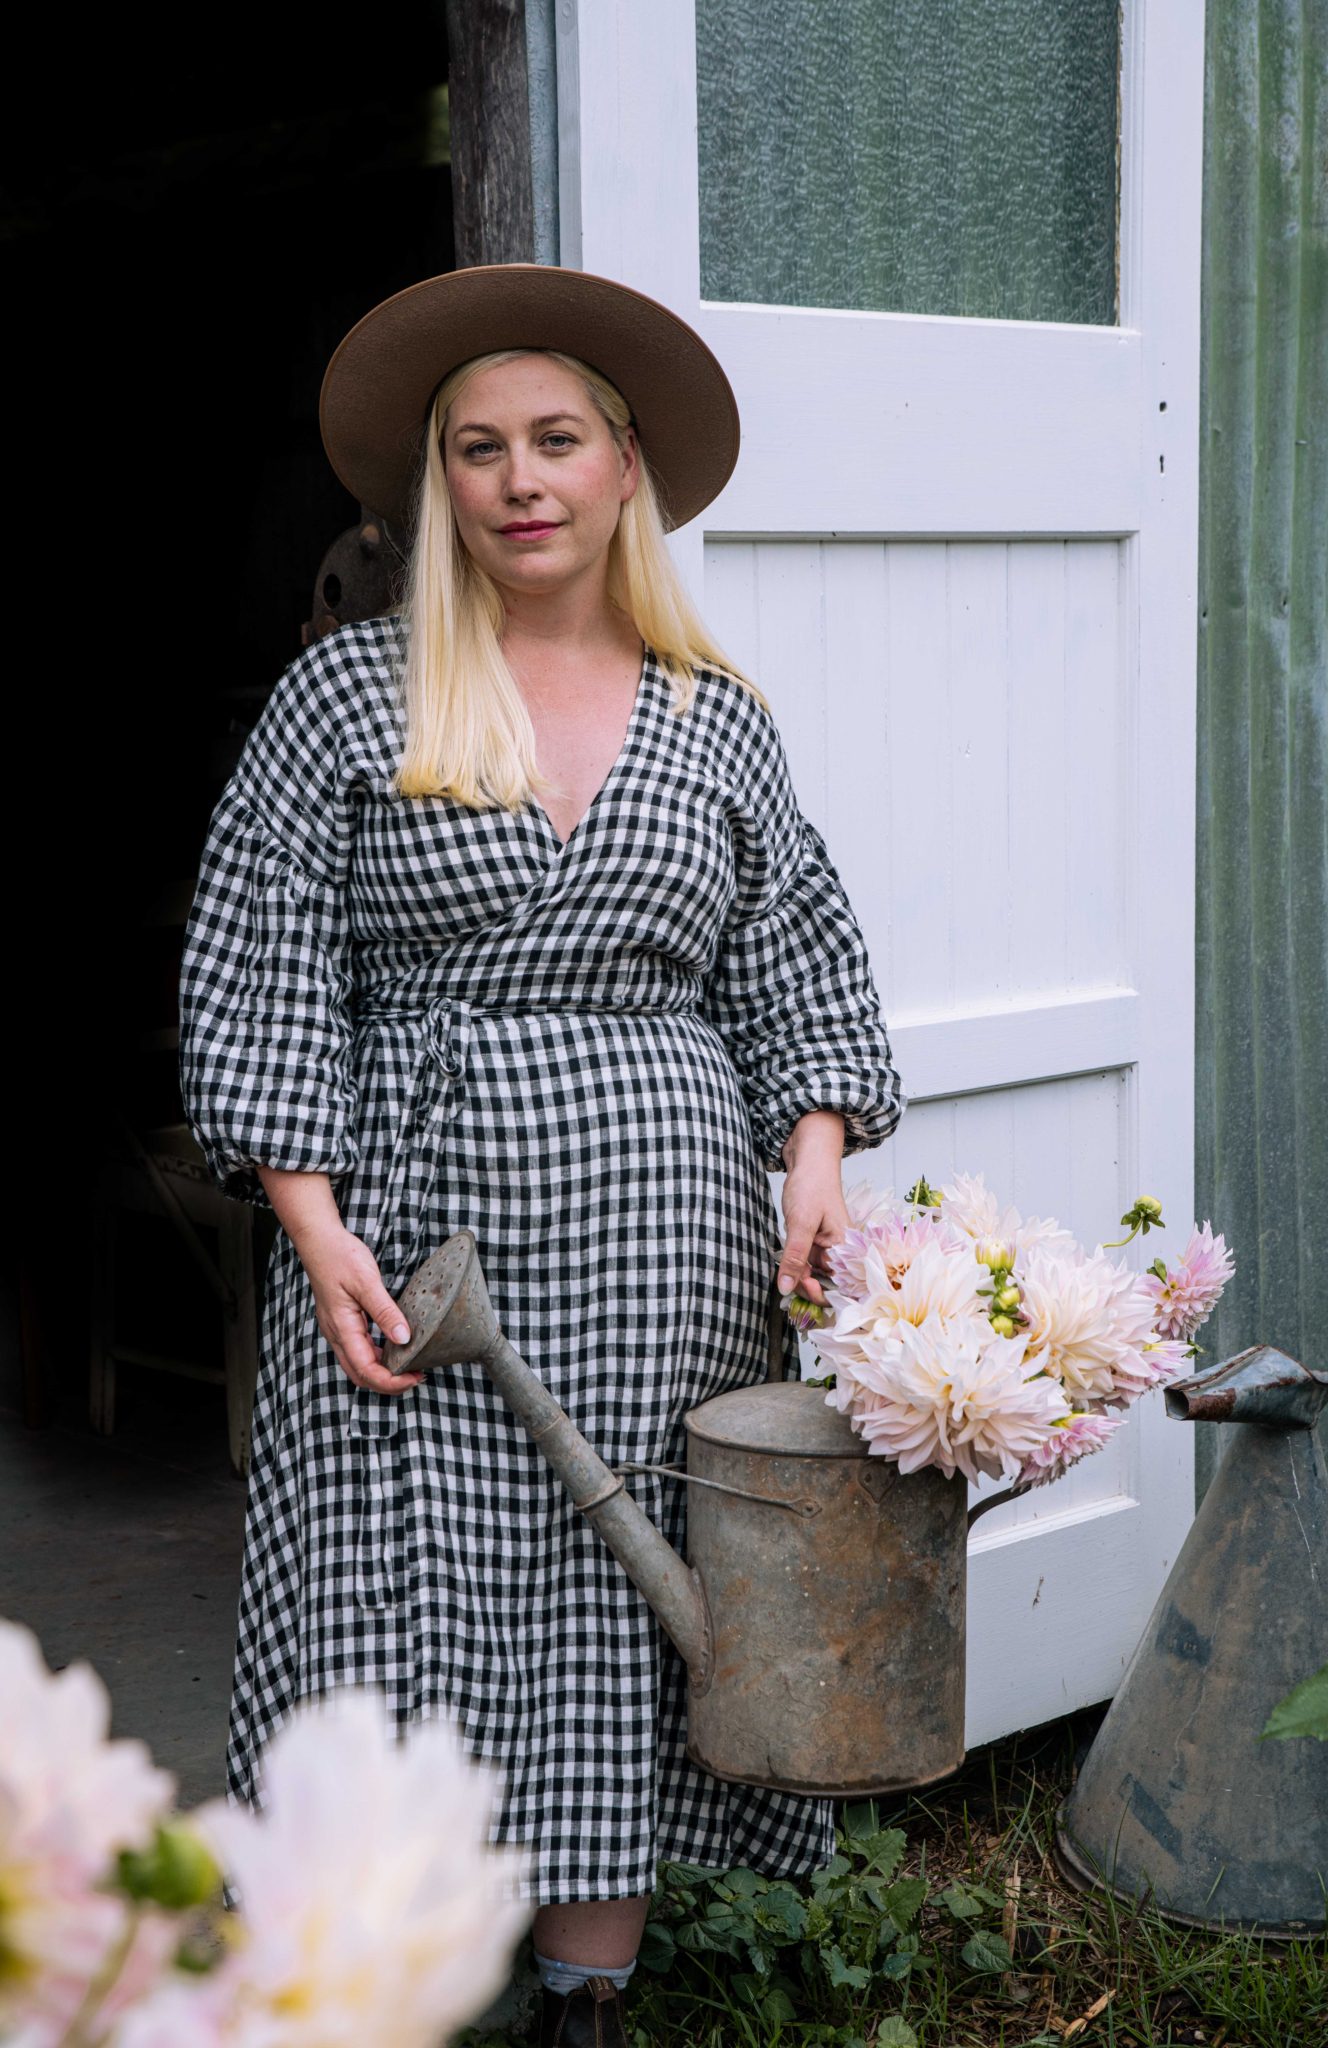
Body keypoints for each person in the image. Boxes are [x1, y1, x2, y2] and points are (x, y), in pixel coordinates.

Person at [179, 263, 904, 2047]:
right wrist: (308, 1220)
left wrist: (809, 1158)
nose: (520, 480)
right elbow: (262, 952)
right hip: (420, 1245)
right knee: (395, 1589)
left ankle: (588, 1992)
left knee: (620, 1597)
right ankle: (374, 1972)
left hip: (669, 1252)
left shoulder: (713, 713)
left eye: (556, 440)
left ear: (623, 464)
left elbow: (794, 953)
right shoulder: (350, 698)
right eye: (479, 449)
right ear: (442, 487)